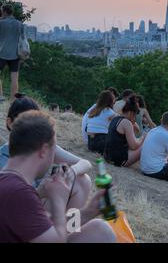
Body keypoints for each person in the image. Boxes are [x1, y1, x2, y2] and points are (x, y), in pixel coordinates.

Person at [0, 110, 116, 243]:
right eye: (53, 150)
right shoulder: (19, 193)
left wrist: (88, 212)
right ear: (44, 150)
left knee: (100, 230)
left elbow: (47, 228)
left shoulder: (10, 184)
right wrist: (58, 200)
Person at [0, 93, 92, 210]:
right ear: (10, 123)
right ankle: (62, 226)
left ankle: (73, 226)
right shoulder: (3, 158)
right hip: (20, 213)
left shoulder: (44, 147)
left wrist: (73, 171)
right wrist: (40, 192)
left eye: (35, 123)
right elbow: (10, 203)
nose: (29, 128)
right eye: (22, 122)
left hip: (42, 208)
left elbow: (86, 163)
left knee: (83, 180)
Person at [104, 95, 145, 167]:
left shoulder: (115, 118)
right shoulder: (126, 122)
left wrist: (135, 131)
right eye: (134, 115)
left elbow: (125, 142)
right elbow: (133, 146)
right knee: (144, 145)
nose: (134, 118)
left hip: (108, 157)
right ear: (130, 112)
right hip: (118, 160)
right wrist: (143, 137)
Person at [0, 4, 23, 102]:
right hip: (15, 54)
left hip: (1, 53)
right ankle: (13, 100)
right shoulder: (19, 24)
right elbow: (22, 39)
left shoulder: (1, 23)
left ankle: (0, 97)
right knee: (14, 78)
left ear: (4, 12)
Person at [86, 91, 117, 155]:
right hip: (102, 143)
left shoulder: (93, 110)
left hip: (90, 144)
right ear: (111, 101)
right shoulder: (110, 112)